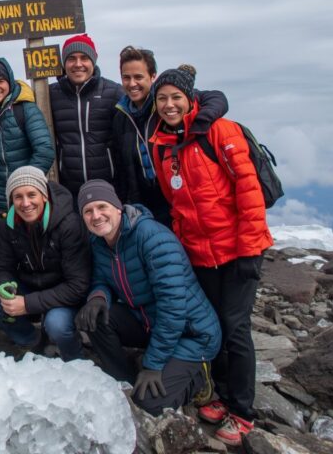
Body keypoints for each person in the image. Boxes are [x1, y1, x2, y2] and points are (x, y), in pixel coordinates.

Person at [148, 68, 273, 446]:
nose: (169, 105)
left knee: (236, 329)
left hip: (237, 250)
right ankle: (221, 395)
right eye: (162, 99)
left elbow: (249, 193)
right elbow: (175, 203)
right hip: (200, 254)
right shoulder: (161, 144)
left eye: (176, 98)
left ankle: (243, 411)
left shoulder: (221, 131)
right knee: (213, 326)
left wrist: (250, 249)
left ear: (190, 99)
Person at [74, 179, 221, 415]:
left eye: (102, 207)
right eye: (88, 211)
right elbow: (101, 278)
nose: (96, 216)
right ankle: (124, 382)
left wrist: (153, 364)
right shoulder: (99, 242)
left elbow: (173, 309)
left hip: (191, 334)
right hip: (147, 321)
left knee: (149, 405)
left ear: (118, 208)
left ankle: (199, 379)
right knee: (96, 318)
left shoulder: (152, 238)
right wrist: (98, 297)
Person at [113, 47, 228, 227]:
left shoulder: (167, 102)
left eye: (138, 77)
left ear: (153, 76)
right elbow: (122, 166)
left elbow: (216, 98)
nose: (132, 83)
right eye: (126, 77)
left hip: (177, 194)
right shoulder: (121, 116)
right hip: (144, 202)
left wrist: (200, 124)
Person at [0, 166, 90, 361]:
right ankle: (31, 341)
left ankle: (74, 356)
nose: (25, 203)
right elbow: (2, 267)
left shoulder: (69, 224)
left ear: (44, 196)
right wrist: (5, 285)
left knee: (56, 324)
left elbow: (78, 285)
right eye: (18, 197)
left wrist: (27, 304)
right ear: (11, 200)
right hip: (31, 284)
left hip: (65, 291)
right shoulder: (8, 224)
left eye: (32, 195)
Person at [0, 58, 54, 296]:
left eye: (0, 81)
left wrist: (24, 186)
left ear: (9, 81)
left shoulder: (26, 109)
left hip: (28, 198)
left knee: (31, 253)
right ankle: (0, 301)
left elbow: (44, 150)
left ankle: (31, 303)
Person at [48, 34, 123, 200]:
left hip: (109, 188)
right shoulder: (50, 95)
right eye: (71, 58)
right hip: (68, 190)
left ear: (93, 61)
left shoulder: (114, 92)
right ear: (64, 63)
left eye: (84, 58)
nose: (78, 64)